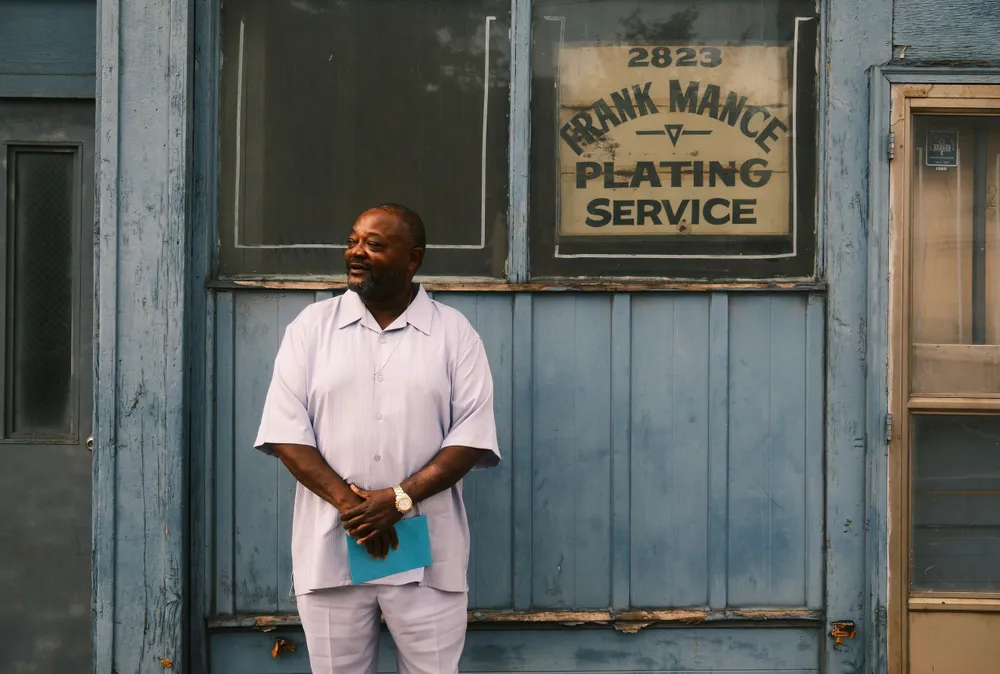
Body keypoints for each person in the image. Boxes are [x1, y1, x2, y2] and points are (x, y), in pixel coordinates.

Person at [253, 204, 501, 673]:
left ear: (413, 258)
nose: (356, 252)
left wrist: (399, 499)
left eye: (374, 244)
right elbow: (286, 433)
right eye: (353, 242)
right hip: (331, 549)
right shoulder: (311, 329)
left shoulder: (454, 334)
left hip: (428, 556)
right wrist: (358, 509)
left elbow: (471, 436)